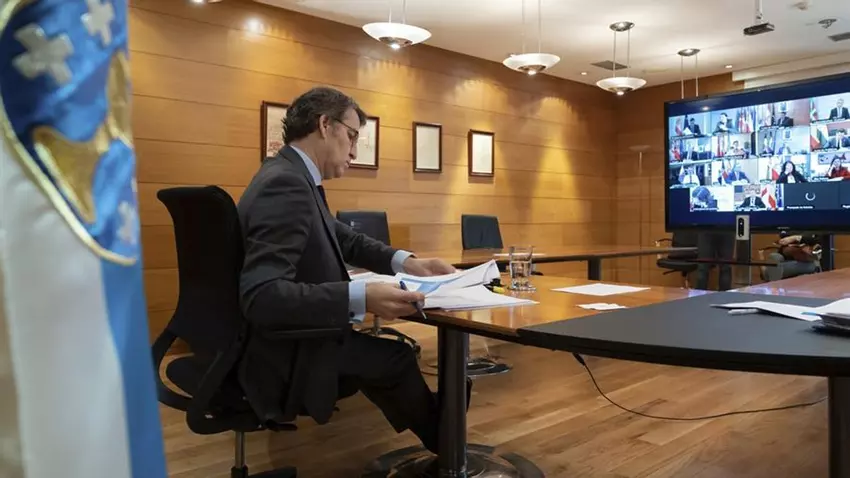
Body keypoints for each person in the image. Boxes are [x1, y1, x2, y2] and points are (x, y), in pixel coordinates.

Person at [236, 86, 457, 453]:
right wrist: (361, 297)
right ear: (326, 125)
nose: (355, 151)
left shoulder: (290, 175)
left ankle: (449, 442)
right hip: (286, 352)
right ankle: (451, 450)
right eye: (352, 136)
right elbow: (262, 296)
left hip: (287, 339)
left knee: (390, 360)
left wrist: (408, 262)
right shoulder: (286, 184)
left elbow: (347, 239)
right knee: (396, 358)